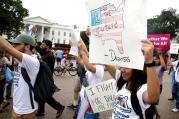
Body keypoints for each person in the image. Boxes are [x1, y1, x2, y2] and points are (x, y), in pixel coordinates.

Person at [106, 40, 160, 119]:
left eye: (127, 67)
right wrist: (94, 37)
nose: (122, 70)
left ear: (136, 69)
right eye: (121, 66)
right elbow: (106, 62)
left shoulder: (141, 89)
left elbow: (153, 98)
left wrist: (149, 61)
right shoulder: (122, 81)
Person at [0, 34, 40, 119]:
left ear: (27, 46)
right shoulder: (19, 59)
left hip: (27, 111)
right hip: (17, 108)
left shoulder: (32, 61)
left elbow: (8, 48)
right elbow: (6, 47)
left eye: (17, 44)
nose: (14, 46)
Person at [74, 41, 104, 119]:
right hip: (84, 95)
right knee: (80, 115)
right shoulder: (90, 66)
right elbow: (80, 60)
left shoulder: (99, 68)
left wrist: (82, 52)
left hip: (92, 98)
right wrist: (75, 49)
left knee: (89, 116)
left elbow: (89, 67)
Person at [37, 40, 65, 118]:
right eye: (41, 44)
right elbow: (38, 49)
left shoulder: (49, 56)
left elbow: (48, 69)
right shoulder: (45, 54)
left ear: (48, 46)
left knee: (46, 96)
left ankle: (59, 107)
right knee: (40, 94)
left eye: (43, 45)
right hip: (42, 78)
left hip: (45, 79)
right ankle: (41, 111)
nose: (41, 46)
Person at [68, 26, 91, 110]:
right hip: (80, 72)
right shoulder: (82, 47)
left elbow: (84, 51)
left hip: (86, 74)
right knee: (76, 89)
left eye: (89, 28)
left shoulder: (90, 47)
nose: (87, 29)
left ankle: (87, 108)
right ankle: (75, 104)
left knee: (86, 92)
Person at [153, 50, 166, 119]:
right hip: (149, 86)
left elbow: (164, 66)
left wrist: (160, 55)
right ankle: (157, 114)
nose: (155, 60)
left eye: (156, 59)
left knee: (153, 102)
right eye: (154, 59)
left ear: (159, 59)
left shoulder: (161, 67)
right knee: (150, 102)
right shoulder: (150, 66)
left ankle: (157, 114)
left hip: (158, 87)